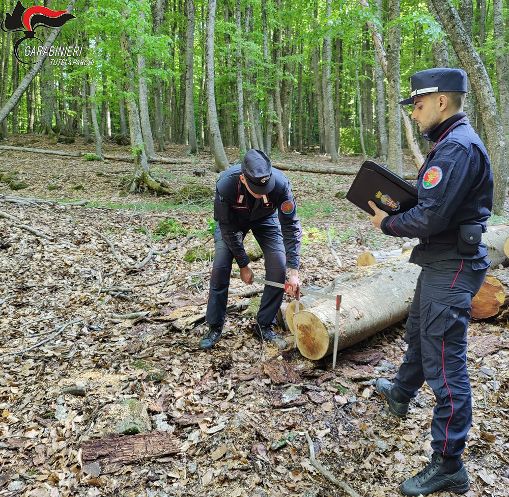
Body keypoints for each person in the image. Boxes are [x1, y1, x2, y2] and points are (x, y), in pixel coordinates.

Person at [368, 68, 493, 496]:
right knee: (421, 331)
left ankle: (448, 464)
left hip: (454, 263)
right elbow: (435, 203)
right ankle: (401, 393)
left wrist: (388, 222)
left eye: (418, 105)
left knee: (445, 363)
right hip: (443, 259)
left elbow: (430, 217)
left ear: (442, 101)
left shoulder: (456, 147)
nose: (415, 113)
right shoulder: (450, 143)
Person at [199, 149, 302, 350]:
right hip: (233, 222)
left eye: (266, 187)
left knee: (278, 266)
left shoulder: (281, 185)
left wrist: (294, 270)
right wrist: (244, 264)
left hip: (265, 218)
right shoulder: (226, 184)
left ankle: (264, 324)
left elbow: (291, 226)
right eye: (256, 188)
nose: (263, 192)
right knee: (220, 266)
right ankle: (214, 326)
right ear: (244, 179)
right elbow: (227, 229)